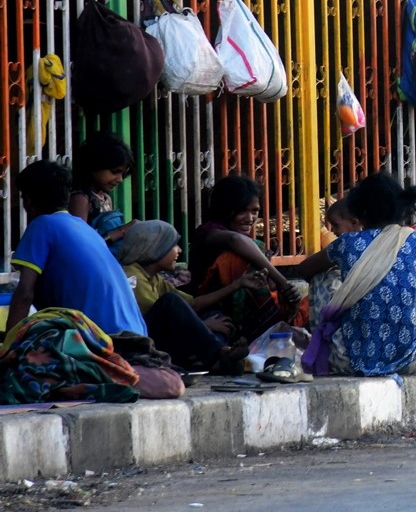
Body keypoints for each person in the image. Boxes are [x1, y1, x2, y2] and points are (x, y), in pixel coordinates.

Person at [297, 171, 416, 377]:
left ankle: (322, 350)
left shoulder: (346, 244)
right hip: (413, 358)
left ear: (360, 211)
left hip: (348, 359)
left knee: (322, 276)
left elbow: (305, 270)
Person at [8, 160, 147, 341]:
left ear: (28, 201)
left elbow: (24, 295)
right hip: (137, 335)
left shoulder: (42, 226)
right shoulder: (84, 228)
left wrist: (9, 344)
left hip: (103, 340)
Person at [116, 220, 240, 373]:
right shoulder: (131, 275)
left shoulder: (153, 277)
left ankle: (208, 358)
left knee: (213, 314)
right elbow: (162, 320)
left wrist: (236, 285)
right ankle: (219, 355)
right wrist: (205, 326)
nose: (179, 250)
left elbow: (192, 304)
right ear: (156, 248)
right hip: (142, 346)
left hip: (161, 340)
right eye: (174, 245)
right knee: (171, 301)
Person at [190, 175, 305, 341]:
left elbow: (267, 286)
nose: (250, 218)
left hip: (247, 315)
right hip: (210, 310)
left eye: (254, 211)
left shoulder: (254, 247)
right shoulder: (209, 233)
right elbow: (235, 240)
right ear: (225, 209)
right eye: (242, 211)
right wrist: (283, 283)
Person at [68, 132, 133, 238]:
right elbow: (80, 243)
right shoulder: (80, 199)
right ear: (95, 165)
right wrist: (121, 231)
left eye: (123, 174)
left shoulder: (104, 197)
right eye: (114, 171)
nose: (120, 179)